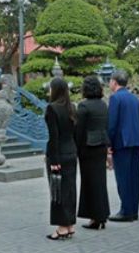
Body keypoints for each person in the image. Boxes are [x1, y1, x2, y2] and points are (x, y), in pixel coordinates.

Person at [107, 69, 139, 222]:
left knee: (123, 178)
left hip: (121, 142)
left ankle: (126, 210)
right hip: (135, 141)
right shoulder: (134, 98)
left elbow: (112, 124)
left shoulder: (115, 98)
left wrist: (109, 144)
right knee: (134, 178)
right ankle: (133, 209)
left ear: (114, 82)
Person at [75, 75, 111, 229]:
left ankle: (95, 217)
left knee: (89, 183)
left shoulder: (84, 106)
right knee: (100, 182)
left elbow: (79, 130)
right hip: (101, 144)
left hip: (88, 147)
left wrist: (76, 149)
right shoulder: (103, 105)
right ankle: (101, 215)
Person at [44, 77, 78, 240]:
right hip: (71, 152)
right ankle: (70, 224)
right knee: (70, 190)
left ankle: (62, 227)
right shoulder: (72, 107)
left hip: (58, 154)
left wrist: (54, 161)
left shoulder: (52, 108)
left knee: (58, 191)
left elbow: (54, 137)